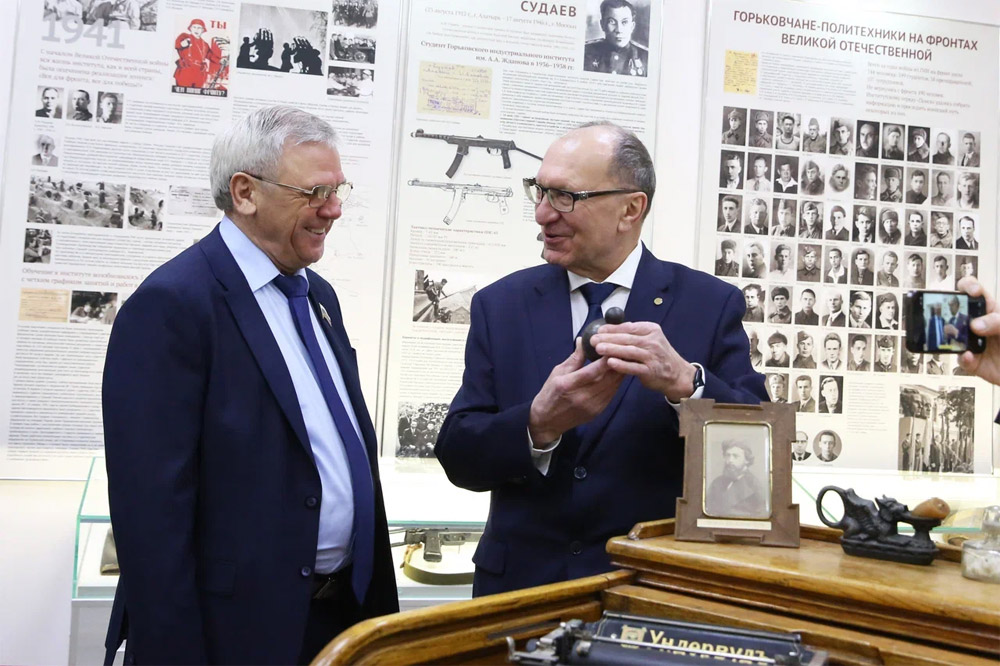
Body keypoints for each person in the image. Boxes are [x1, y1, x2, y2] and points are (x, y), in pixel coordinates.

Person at [101, 106, 399, 665]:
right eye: (314, 192)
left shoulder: (318, 296)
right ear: (245, 193)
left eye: (337, 190)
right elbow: (151, 516)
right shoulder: (173, 305)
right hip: (235, 634)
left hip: (341, 620)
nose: (333, 209)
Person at [435, 122, 766, 596]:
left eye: (565, 197)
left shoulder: (709, 304)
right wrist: (537, 424)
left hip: (652, 592)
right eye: (539, 191)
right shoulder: (501, 304)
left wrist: (687, 383)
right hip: (522, 597)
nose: (542, 214)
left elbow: (761, 454)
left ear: (631, 209)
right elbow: (459, 456)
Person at [583, 0, 648, 76]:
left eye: (624, 22)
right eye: (612, 22)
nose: (619, 30)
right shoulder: (586, 52)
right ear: (602, 25)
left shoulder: (646, 57)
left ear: (632, 26)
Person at [705, 440, 767, 518]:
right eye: (727, 455)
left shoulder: (754, 486)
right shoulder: (717, 483)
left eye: (735, 456)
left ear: (747, 460)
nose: (730, 460)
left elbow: (760, 516)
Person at [174, 18, 225, 89]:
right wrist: (182, 44)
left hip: (199, 73)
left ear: (203, 30)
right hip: (186, 71)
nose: (196, 30)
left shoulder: (205, 44)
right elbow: (178, 44)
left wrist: (220, 60)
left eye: (199, 28)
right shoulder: (185, 36)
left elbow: (210, 55)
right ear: (190, 28)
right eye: (194, 27)